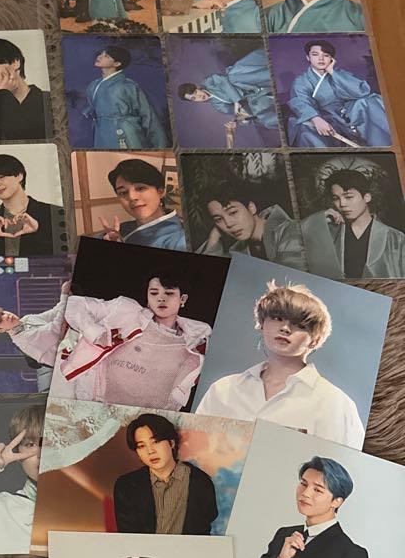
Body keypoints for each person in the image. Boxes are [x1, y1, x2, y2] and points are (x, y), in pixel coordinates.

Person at [2, 274, 211, 411]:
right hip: (94, 399)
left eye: (169, 293)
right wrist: (96, 333)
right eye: (154, 293)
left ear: (182, 299)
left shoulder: (198, 337)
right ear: (147, 297)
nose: (161, 299)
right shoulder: (126, 310)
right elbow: (72, 305)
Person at [195, 282, 364, 449]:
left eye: (300, 325)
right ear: (262, 324)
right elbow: (194, 448)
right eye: (277, 318)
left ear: (315, 340)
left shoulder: (335, 404)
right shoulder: (223, 390)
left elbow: (346, 464)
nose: (285, 328)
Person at [244, 456, 368, 558]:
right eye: (303, 484)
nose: (305, 493)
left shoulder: (350, 553)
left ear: (337, 502)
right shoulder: (284, 534)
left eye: (318, 490)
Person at [112, 413, 219, 536]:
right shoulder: (126, 486)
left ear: (171, 443)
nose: (150, 451)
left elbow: (206, 526)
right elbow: (127, 536)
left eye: (155, 442)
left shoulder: (200, 482)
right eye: (141, 446)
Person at [301, 168, 405, 279]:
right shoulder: (328, 233)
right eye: (336, 198)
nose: (342, 204)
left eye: (349, 197)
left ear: (367, 197)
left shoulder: (396, 239)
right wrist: (317, 222)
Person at [285, 40, 391, 148]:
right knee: (306, 130)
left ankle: (383, 145)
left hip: (349, 113)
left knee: (367, 102)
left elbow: (361, 92)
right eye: (315, 54)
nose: (321, 58)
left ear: (331, 59)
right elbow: (300, 102)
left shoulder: (340, 74)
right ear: (308, 57)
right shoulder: (301, 81)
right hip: (325, 117)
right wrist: (315, 118)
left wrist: (332, 72)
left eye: (326, 55)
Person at [0, 404, 46, 555]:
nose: (42, 454)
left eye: (51, 442)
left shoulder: (95, 508)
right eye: (30, 444)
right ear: (17, 453)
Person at [194, 180, 305, 267]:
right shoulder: (238, 251)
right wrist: (214, 237)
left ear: (251, 208)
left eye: (233, 212)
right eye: (219, 219)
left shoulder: (291, 231)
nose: (228, 223)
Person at [79, 46, 169, 149]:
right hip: (101, 132)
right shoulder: (93, 85)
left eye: (106, 56)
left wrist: (160, 146)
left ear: (117, 63)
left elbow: (148, 115)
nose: (99, 57)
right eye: (101, 54)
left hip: (124, 132)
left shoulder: (128, 86)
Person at [177, 48, 279, 138]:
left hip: (246, 80)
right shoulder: (218, 106)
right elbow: (238, 112)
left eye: (195, 92)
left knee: (232, 76)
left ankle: (272, 74)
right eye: (194, 98)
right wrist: (238, 121)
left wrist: (236, 101)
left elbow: (223, 80)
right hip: (254, 97)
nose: (199, 96)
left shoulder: (209, 82)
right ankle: (281, 114)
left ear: (197, 88)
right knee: (256, 114)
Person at [94, 158, 187, 249]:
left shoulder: (181, 241)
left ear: (160, 191)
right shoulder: (122, 228)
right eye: (123, 192)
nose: (131, 197)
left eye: (140, 188)